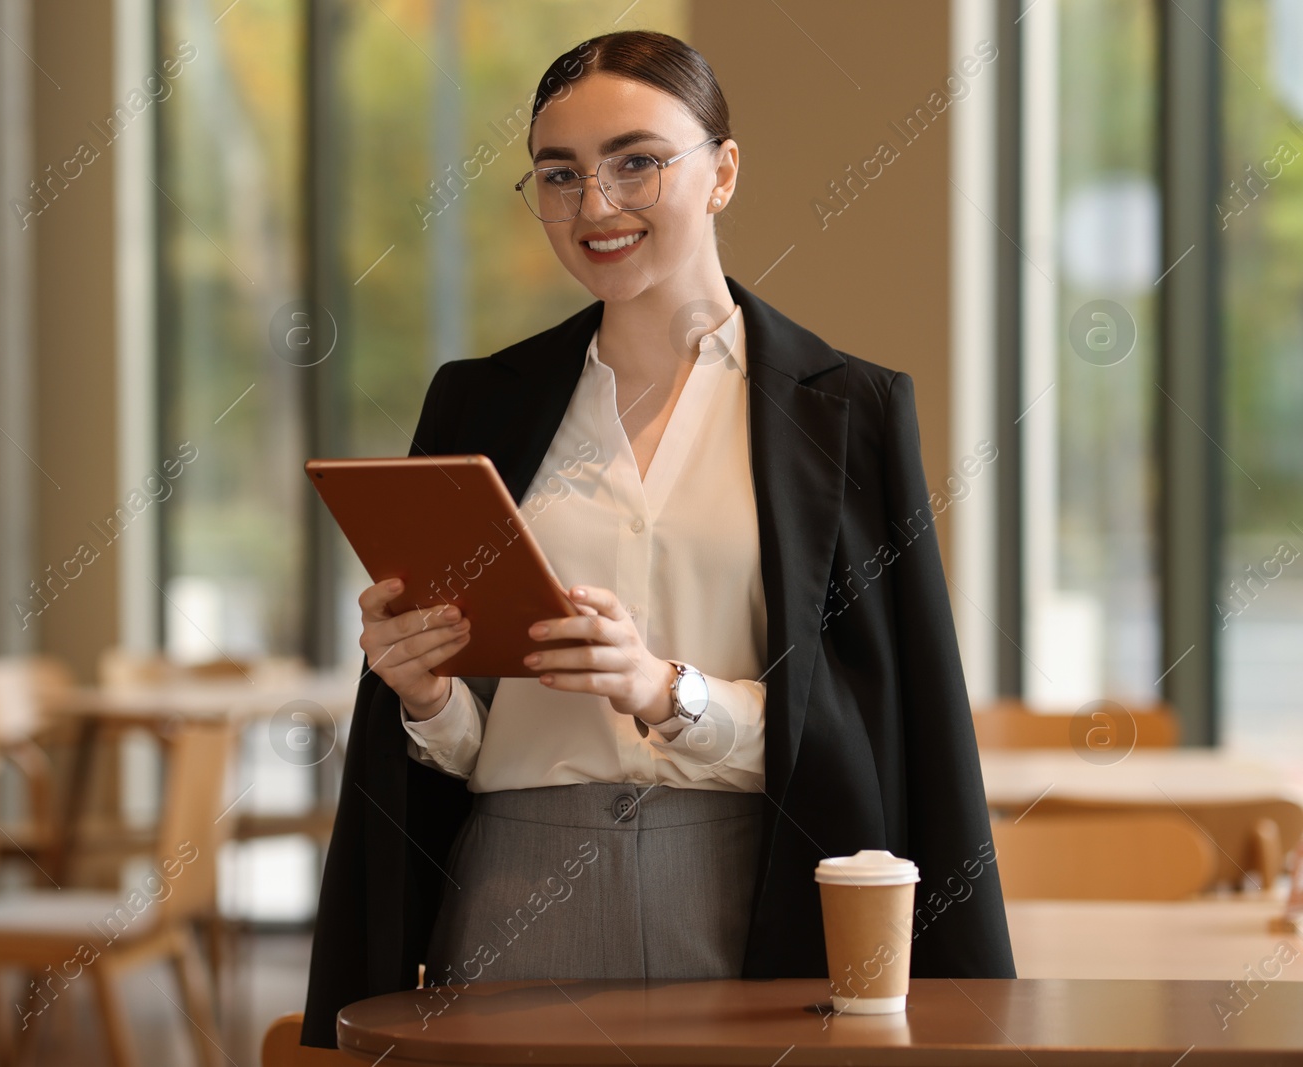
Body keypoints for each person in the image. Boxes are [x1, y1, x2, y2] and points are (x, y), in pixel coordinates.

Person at [300, 28, 1014, 1049]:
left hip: (751, 894)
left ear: (721, 172)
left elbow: (871, 730)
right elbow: (464, 745)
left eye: (637, 161)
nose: (596, 205)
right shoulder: (476, 404)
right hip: (513, 892)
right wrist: (424, 694)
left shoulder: (847, 409)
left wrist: (665, 690)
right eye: (560, 173)